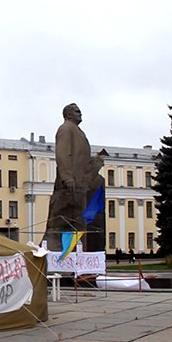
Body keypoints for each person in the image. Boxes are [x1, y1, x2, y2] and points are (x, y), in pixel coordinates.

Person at [43, 103, 106, 252]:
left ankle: (76, 253)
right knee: (62, 221)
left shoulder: (78, 131)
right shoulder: (66, 129)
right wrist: (67, 177)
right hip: (69, 185)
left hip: (79, 184)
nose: (80, 113)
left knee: (77, 223)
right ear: (68, 114)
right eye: (77, 111)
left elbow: (80, 159)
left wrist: (95, 163)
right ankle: (56, 251)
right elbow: (62, 154)